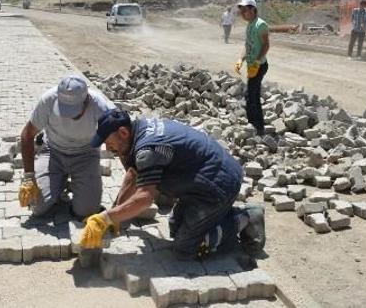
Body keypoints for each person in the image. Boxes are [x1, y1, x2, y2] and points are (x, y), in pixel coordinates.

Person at [79, 109, 266, 260]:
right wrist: (116, 216)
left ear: (123, 132)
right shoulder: (138, 131)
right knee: (175, 227)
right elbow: (133, 174)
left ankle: (246, 217)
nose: (107, 148)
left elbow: (144, 198)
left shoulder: (147, 150)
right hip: (201, 180)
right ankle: (215, 217)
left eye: (108, 142)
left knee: (185, 249)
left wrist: (105, 218)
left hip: (218, 184)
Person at [18, 75, 115, 219]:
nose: (69, 116)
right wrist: (29, 177)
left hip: (86, 156)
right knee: (36, 206)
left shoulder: (100, 106)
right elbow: (27, 135)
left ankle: (75, 184)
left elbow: (118, 139)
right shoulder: (48, 100)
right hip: (53, 152)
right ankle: (60, 181)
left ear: (86, 99)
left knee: (86, 212)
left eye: (74, 110)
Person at [233, 0, 269, 136]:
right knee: (251, 95)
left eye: (245, 11)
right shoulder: (249, 25)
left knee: (251, 96)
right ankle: (253, 124)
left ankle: (258, 127)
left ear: (253, 9)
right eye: (241, 12)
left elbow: (266, 45)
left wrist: (257, 63)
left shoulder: (261, 25)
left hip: (259, 66)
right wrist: (240, 59)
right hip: (252, 66)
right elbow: (247, 46)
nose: (242, 14)